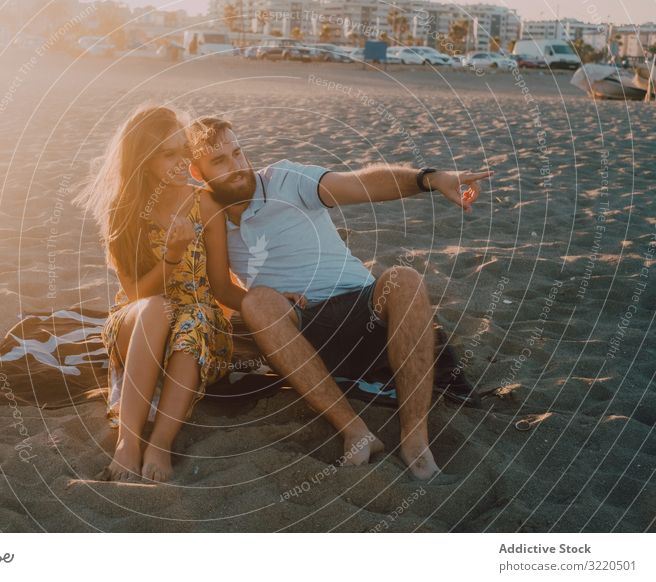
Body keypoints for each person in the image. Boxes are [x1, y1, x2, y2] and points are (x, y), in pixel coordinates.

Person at [188, 116, 493, 479]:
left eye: (238, 153)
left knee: (405, 278)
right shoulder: (208, 213)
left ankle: (415, 440)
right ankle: (356, 432)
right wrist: (267, 302)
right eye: (219, 161)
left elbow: (361, 183)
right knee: (256, 302)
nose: (237, 167)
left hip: (363, 308)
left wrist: (429, 179)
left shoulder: (286, 179)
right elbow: (219, 286)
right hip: (301, 328)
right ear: (197, 170)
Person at [73, 105, 245, 483]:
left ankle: (161, 444)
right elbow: (132, 294)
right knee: (156, 307)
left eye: (184, 150)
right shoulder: (126, 211)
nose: (181, 160)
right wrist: (171, 258)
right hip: (139, 326)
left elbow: (220, 287)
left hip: (198, 332)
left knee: (194, 318)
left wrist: (268, 302)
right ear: (144, 161)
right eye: (169, 154)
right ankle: (128, 443)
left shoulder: (206, 204)